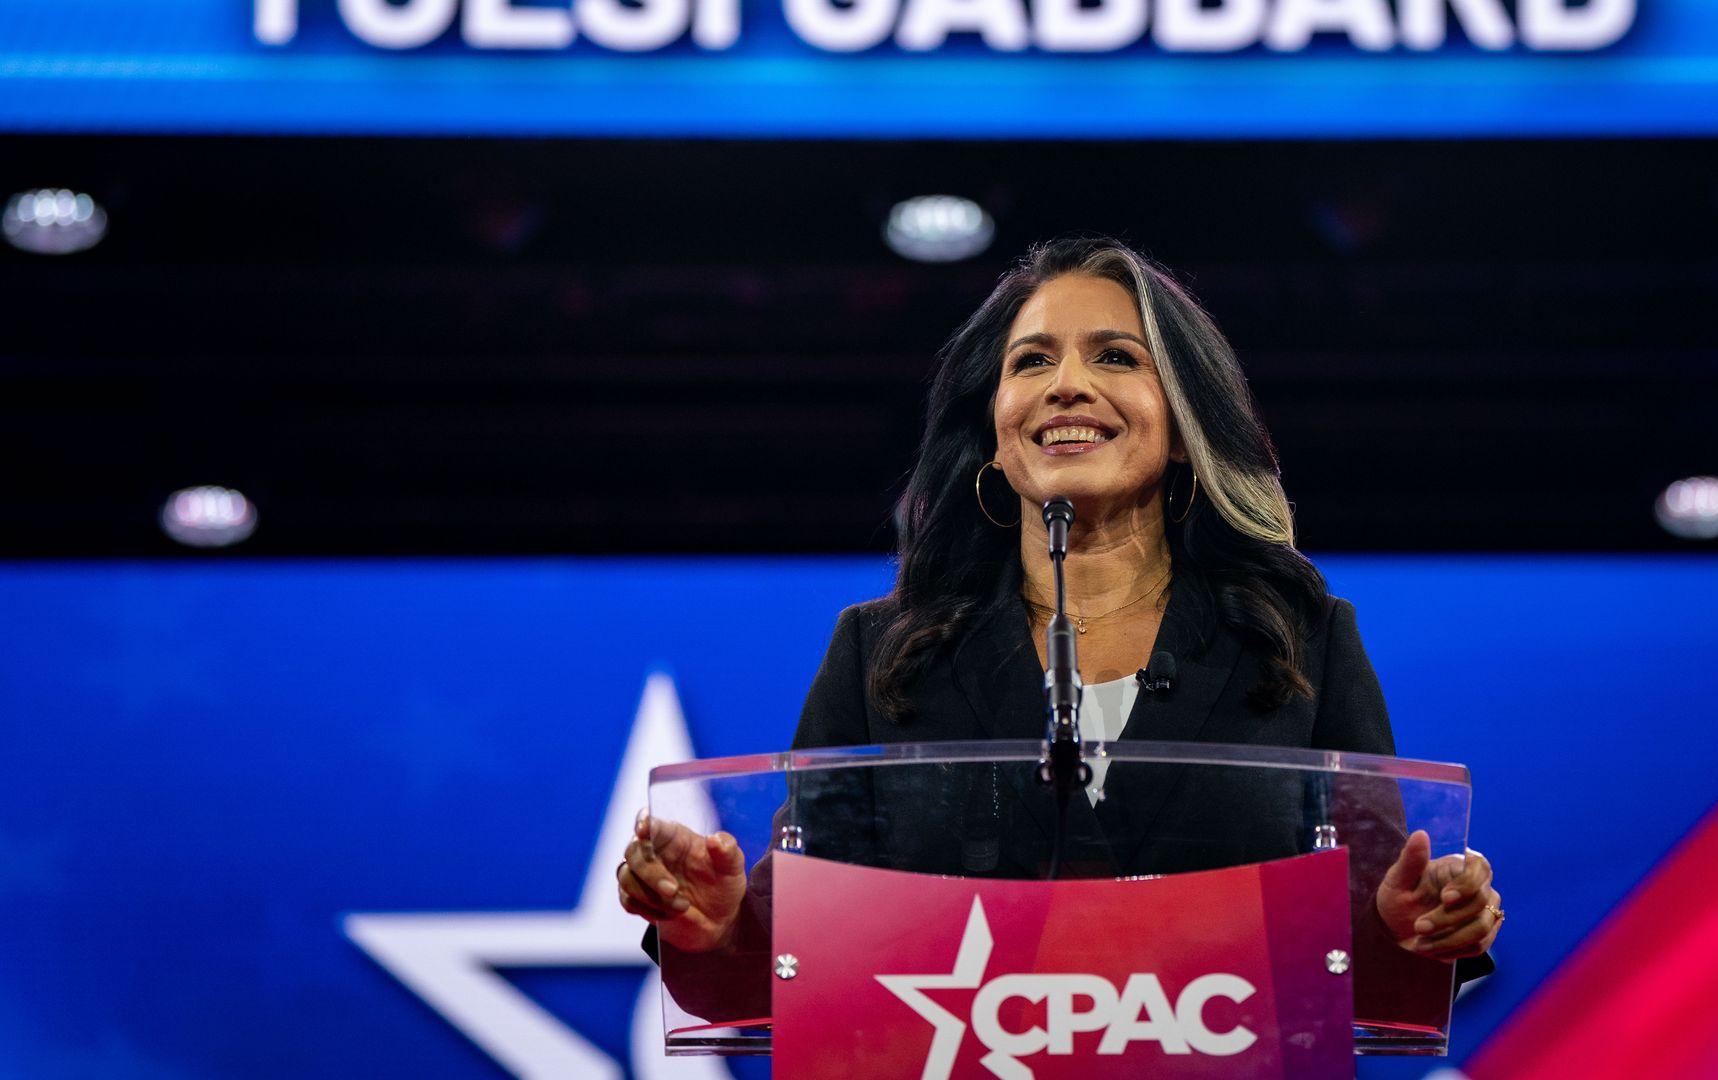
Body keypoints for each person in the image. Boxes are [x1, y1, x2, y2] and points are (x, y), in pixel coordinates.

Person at [617, 237, 1503, 1020]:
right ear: (996, 434)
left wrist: (1418, 925)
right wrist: (717, 925)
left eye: (1117, 356)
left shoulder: (1300, 641)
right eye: (1031, 362)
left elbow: (1380, 962)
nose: (1067, 385)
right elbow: (778, 967)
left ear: (1188, 427)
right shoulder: (880, 656)